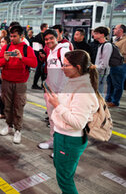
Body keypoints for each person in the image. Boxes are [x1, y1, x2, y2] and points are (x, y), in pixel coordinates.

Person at [47, 50, 99, 194]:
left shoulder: (84, 90)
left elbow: (78, 123)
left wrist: (57, 105)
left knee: (64, 178)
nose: (62, 68)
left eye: (66, 65)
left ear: (78, 68)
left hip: (69, 139)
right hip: (61, 134)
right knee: (62, 171)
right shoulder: (73, 82)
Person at [0, 26, 37, 144]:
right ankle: (9, 126)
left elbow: (34, 63)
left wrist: (21, 57)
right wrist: (5, 59)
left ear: (21, 37)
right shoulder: (6, 47)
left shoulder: (27, 49)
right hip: (7, 81)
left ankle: (18, 130)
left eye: (15, 36)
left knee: (18, 106)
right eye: (11, 36)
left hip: (20, 83)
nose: (12, 38)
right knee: (7, 105)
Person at [37, 29, 70, 151]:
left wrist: (62, 91)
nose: (48, 41)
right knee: (52, 119)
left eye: (51, 38)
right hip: (51, 92)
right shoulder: (50, 53)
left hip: (62, 94)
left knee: (62, 121)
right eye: (46, 39)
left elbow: (70, 72)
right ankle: (53, 141)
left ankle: (62, 148)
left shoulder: (63, 51)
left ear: (58, 37)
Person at [106, 24, 126, 107]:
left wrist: (117, 56)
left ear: (120, 30)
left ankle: (115, 101)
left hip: (120, 65)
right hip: (112, 65)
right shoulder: (115, 40)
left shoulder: (124, 41)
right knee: (110, 83)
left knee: (117, 84)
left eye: (115, 29)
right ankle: (108, 99)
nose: (113, 30)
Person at [93, 26, 112, 96]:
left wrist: (95, 67)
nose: (94, 34)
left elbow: (104, 63)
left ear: (102, 35)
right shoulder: (101, 45)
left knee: (99, 92)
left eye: (96, 33)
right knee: (97, 91)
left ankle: (102, 106)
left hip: (102, 73)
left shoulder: (107, 45)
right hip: (98, 71)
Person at [0, 30, 9, 120]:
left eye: (3, 42)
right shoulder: (0, 50)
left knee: (7, 96)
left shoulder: (8, 52)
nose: (1, 43)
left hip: (6, 77)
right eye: (1, 42)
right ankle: (2, 113)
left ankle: (9, 115)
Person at [32, 23, 48, 89]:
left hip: (38, 54)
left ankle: (41, 84)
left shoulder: (38, 36)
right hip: (40, 55)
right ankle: (36, 84)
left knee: (41, 70)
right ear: (44, 28)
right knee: (40, 70)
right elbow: (38, 48)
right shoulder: (40, 36)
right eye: (47, 27)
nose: (48, 28)